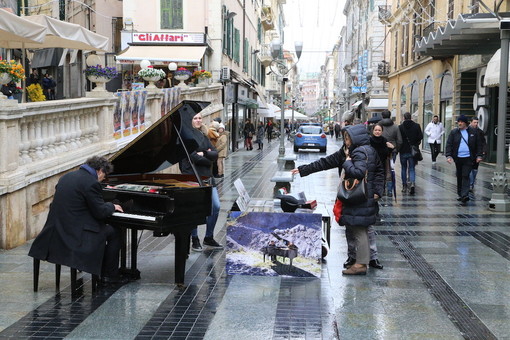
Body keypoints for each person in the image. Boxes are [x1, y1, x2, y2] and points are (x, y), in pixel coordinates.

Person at [291, 124, 384, 275]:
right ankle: (356, 259)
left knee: (360, 230)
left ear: (355, 138)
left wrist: (347, 163)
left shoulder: (359, 152)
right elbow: (327, 162)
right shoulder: (354, 150)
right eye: (345, 138)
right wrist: (304, 169)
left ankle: (362, 263)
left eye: (348, 138)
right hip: (360, 196)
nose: (345, 141)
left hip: (359, 197)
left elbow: (359, 172)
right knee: (355, 228)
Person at [28, 156, 127, 284]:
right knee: (115, 232)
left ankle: (101, 269)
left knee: (106, 229)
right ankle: (109, 275)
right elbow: (100, 212)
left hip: (58, 230)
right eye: (104, 175)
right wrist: (112, 205)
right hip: (77, 234)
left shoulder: (66, 177)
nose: (104, 179)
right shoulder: (91, 183)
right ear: (100, 171)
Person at [179, 112, 223, 251]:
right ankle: (195, 239)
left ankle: (208, 237)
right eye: (195, 118)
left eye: (199, 118)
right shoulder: (185, 137)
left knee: (215, 206)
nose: (198, 120)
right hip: (192, 177)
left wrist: (204, 153)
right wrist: (207, 156)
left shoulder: (204, 135)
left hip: (207, 177)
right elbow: (194, 158)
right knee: (195, 208)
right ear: (190, 121)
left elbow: (215, 154)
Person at [445, 115, 484, 203]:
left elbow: (479, 145)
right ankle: (460, 193)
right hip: (458, 158)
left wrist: (479, 155)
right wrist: (448, 156)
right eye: (458, 122)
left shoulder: (473, 132)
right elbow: (449, 144)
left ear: (466, 123)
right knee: (459, 175)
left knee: (465, 175)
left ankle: (465, 194)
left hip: (468, 158)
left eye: (461, 122)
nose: (460, 123)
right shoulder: (454, 132)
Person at [397, 112, 423, 195]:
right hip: (413, 151)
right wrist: (415, 144)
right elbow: (420, 137)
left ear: (404, 118)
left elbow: (399, 139)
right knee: (412, 168)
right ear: (411, 117)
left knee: (403, 168)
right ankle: (412, 184)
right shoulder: (416, 126)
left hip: (403, 151)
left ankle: (404, 186)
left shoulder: (400, 127)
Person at [378, 109, 401, 196]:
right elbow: (400, 140)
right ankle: (390, 191)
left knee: (381, 170)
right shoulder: (395, 127)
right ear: (390, 116)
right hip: (392, 151)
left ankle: (382, 189)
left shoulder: (378, 126)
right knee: (391, 169)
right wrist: (396, 149)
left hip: (380, 151)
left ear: (382, 116)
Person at [468, 117, 486, 192]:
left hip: (477, 153)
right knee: (469, 169)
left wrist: (483, 151)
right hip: (468, 153)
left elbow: (483, 142)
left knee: (475, 169)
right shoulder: (466, 131)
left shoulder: (480, 132)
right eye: (474, 122)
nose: (476, 124)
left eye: (477, 122)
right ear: (471, 122)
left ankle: (472, 183)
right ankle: (470, 184)